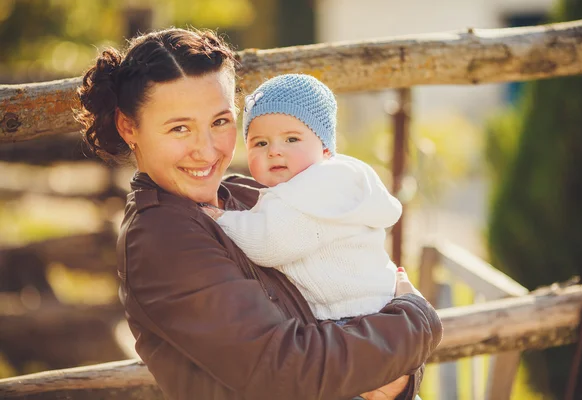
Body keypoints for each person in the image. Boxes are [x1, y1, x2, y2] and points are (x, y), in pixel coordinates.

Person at [75, 27, 442, 400]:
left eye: (219, 122)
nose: (206, 150)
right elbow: (287, 368)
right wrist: (417, 320)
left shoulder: (247, 194)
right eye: (180, 128)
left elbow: (356, 282)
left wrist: (399, 376)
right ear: (129, 127)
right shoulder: (160, 240)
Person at [203, 74, 406, 324]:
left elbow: (269, 243)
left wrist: (223, 219)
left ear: (324, 148)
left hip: (353, 313)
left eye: (291, 139)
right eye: (260, 143)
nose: (274, 150)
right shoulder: (322, 183)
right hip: (367, 306)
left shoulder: (317, 188)